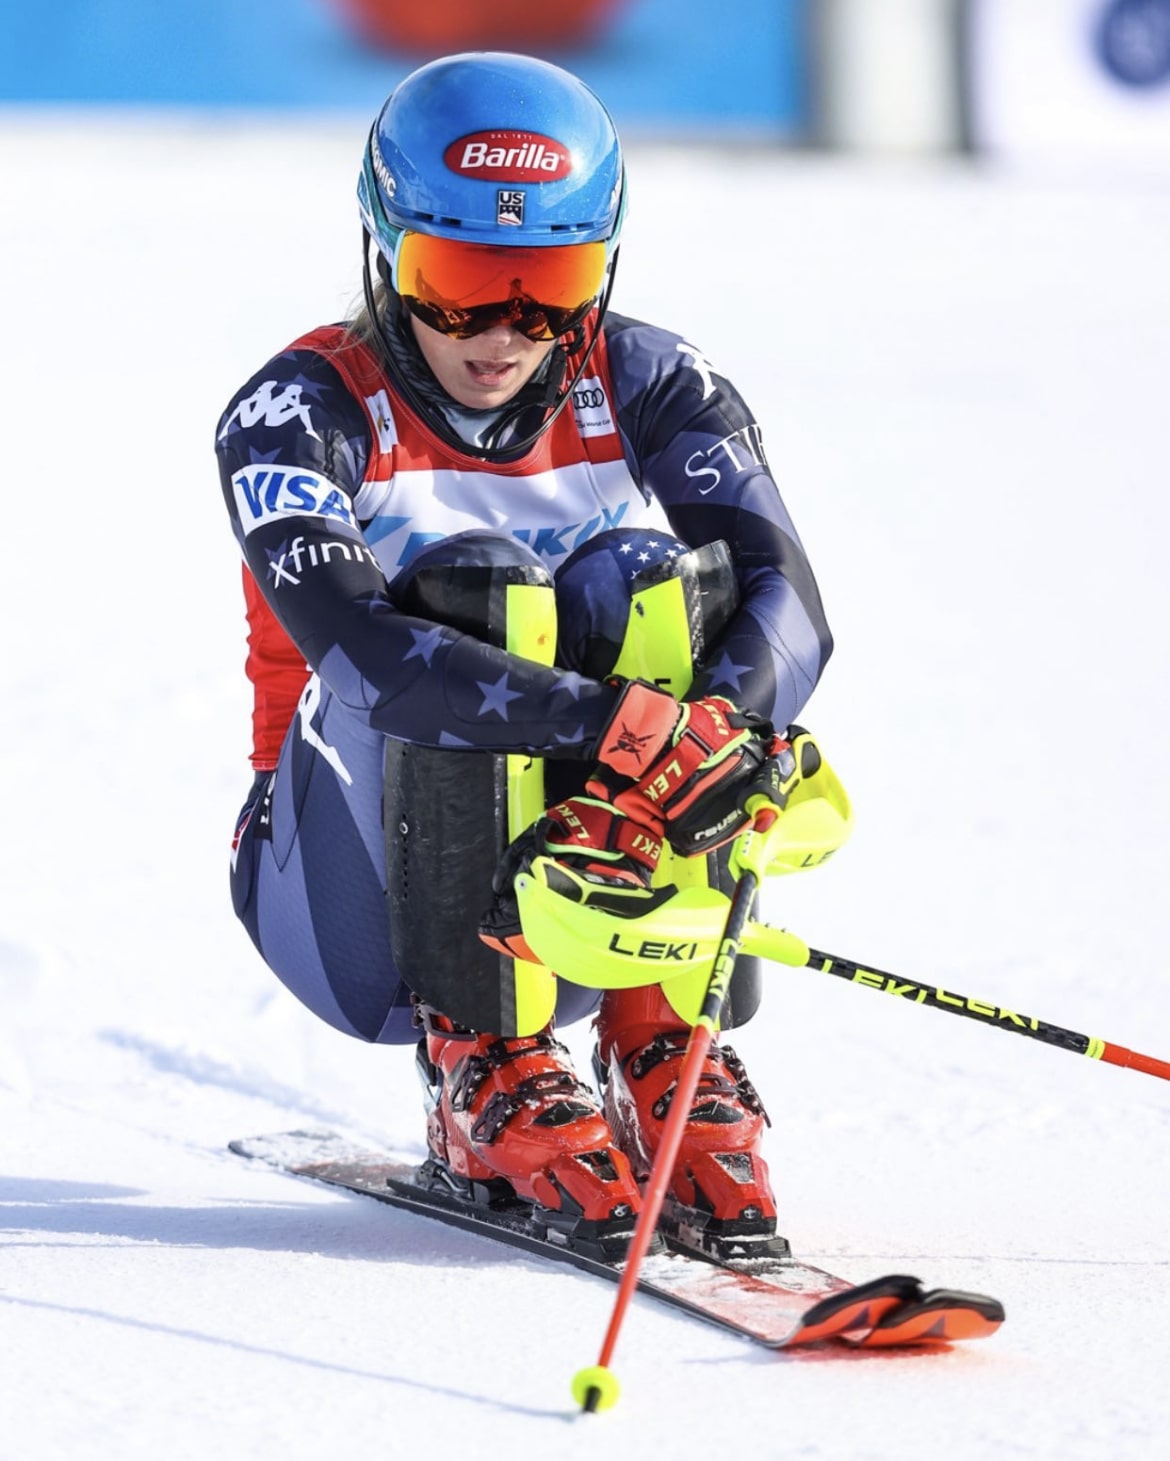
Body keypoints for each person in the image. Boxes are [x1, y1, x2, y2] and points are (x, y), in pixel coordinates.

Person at [216, 52, 833, 1262]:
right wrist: (620, 729)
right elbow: (370, 656)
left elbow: (788, 597)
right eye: (454, 283)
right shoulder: (296, 412)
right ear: (383, 251)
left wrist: (711, 723)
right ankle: (476, 1062)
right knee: (479, 588)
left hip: (574, 876)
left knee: (652, 585)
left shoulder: (647, 377)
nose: (501, 333)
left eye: (548, 284)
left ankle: (662, 1042)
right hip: (345, 895)